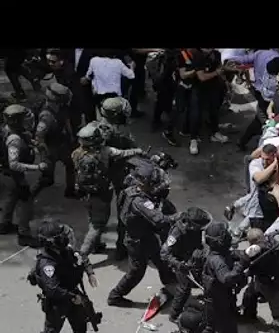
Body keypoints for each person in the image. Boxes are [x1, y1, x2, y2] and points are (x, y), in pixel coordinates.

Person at [107, 164, 179, 307]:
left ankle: (171, 282)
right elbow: (159, 219)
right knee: (137, 271)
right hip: (137, 241)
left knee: (161, 259)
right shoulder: (139, 201)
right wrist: (177, 217)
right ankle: (115, 296)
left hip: (145, 235)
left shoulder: (132, 188)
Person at [72, 124, 143, 260]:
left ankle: (96, 245)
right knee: (97, 224)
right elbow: (122, 153)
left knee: (92, 217)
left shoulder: (76, 153)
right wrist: (137, 150)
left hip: (83, 192)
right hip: (101, 193)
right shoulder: (105, 151)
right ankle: (82, 255)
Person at [28, 219, 98, 333]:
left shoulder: (66, 251)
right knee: (52, 330)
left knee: (81, 325)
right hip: (58, 302)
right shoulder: (47, 264)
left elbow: (82, 257)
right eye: (60, 237)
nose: (65, 238)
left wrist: (90, 272)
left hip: (73, 293)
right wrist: (73, 297)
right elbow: (53, 289)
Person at [0, 104, 47, 247]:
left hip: (6, 174)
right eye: (24, 119)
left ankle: (4, 224)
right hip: (13, 175)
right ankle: (24, 234)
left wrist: (32, 143)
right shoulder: (14, 139)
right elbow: (14, 164)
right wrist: (37, 167)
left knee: (10, 198)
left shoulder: (8, 130)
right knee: (26, 202)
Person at [160, 207, 212, 322]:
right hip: (182, 262)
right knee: (184, 289)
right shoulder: (177, 232)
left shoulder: (194, 226)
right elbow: (164, 253)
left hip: (194, 257)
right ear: (191, 225)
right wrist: (178, 264)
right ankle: (174, 315)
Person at [202, 221, 249, 333]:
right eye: (225, 234)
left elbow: (233, 254)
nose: (229, 236)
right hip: (219, 303)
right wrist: (241, 265)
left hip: (222, 299)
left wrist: (247, 253)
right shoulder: (216, 260)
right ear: (220, 241)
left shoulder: (219, 252)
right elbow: (227, 279)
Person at [32, 83, 77, 198]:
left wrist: (71, 136)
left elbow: (66, 119)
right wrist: (44, 151)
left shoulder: (61, 107)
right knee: (47, 178)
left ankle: (70, 191)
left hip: (62, 143)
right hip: (50, 146)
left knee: (71, 165)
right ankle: (29, 195)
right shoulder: (46, 115)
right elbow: (39, 135)